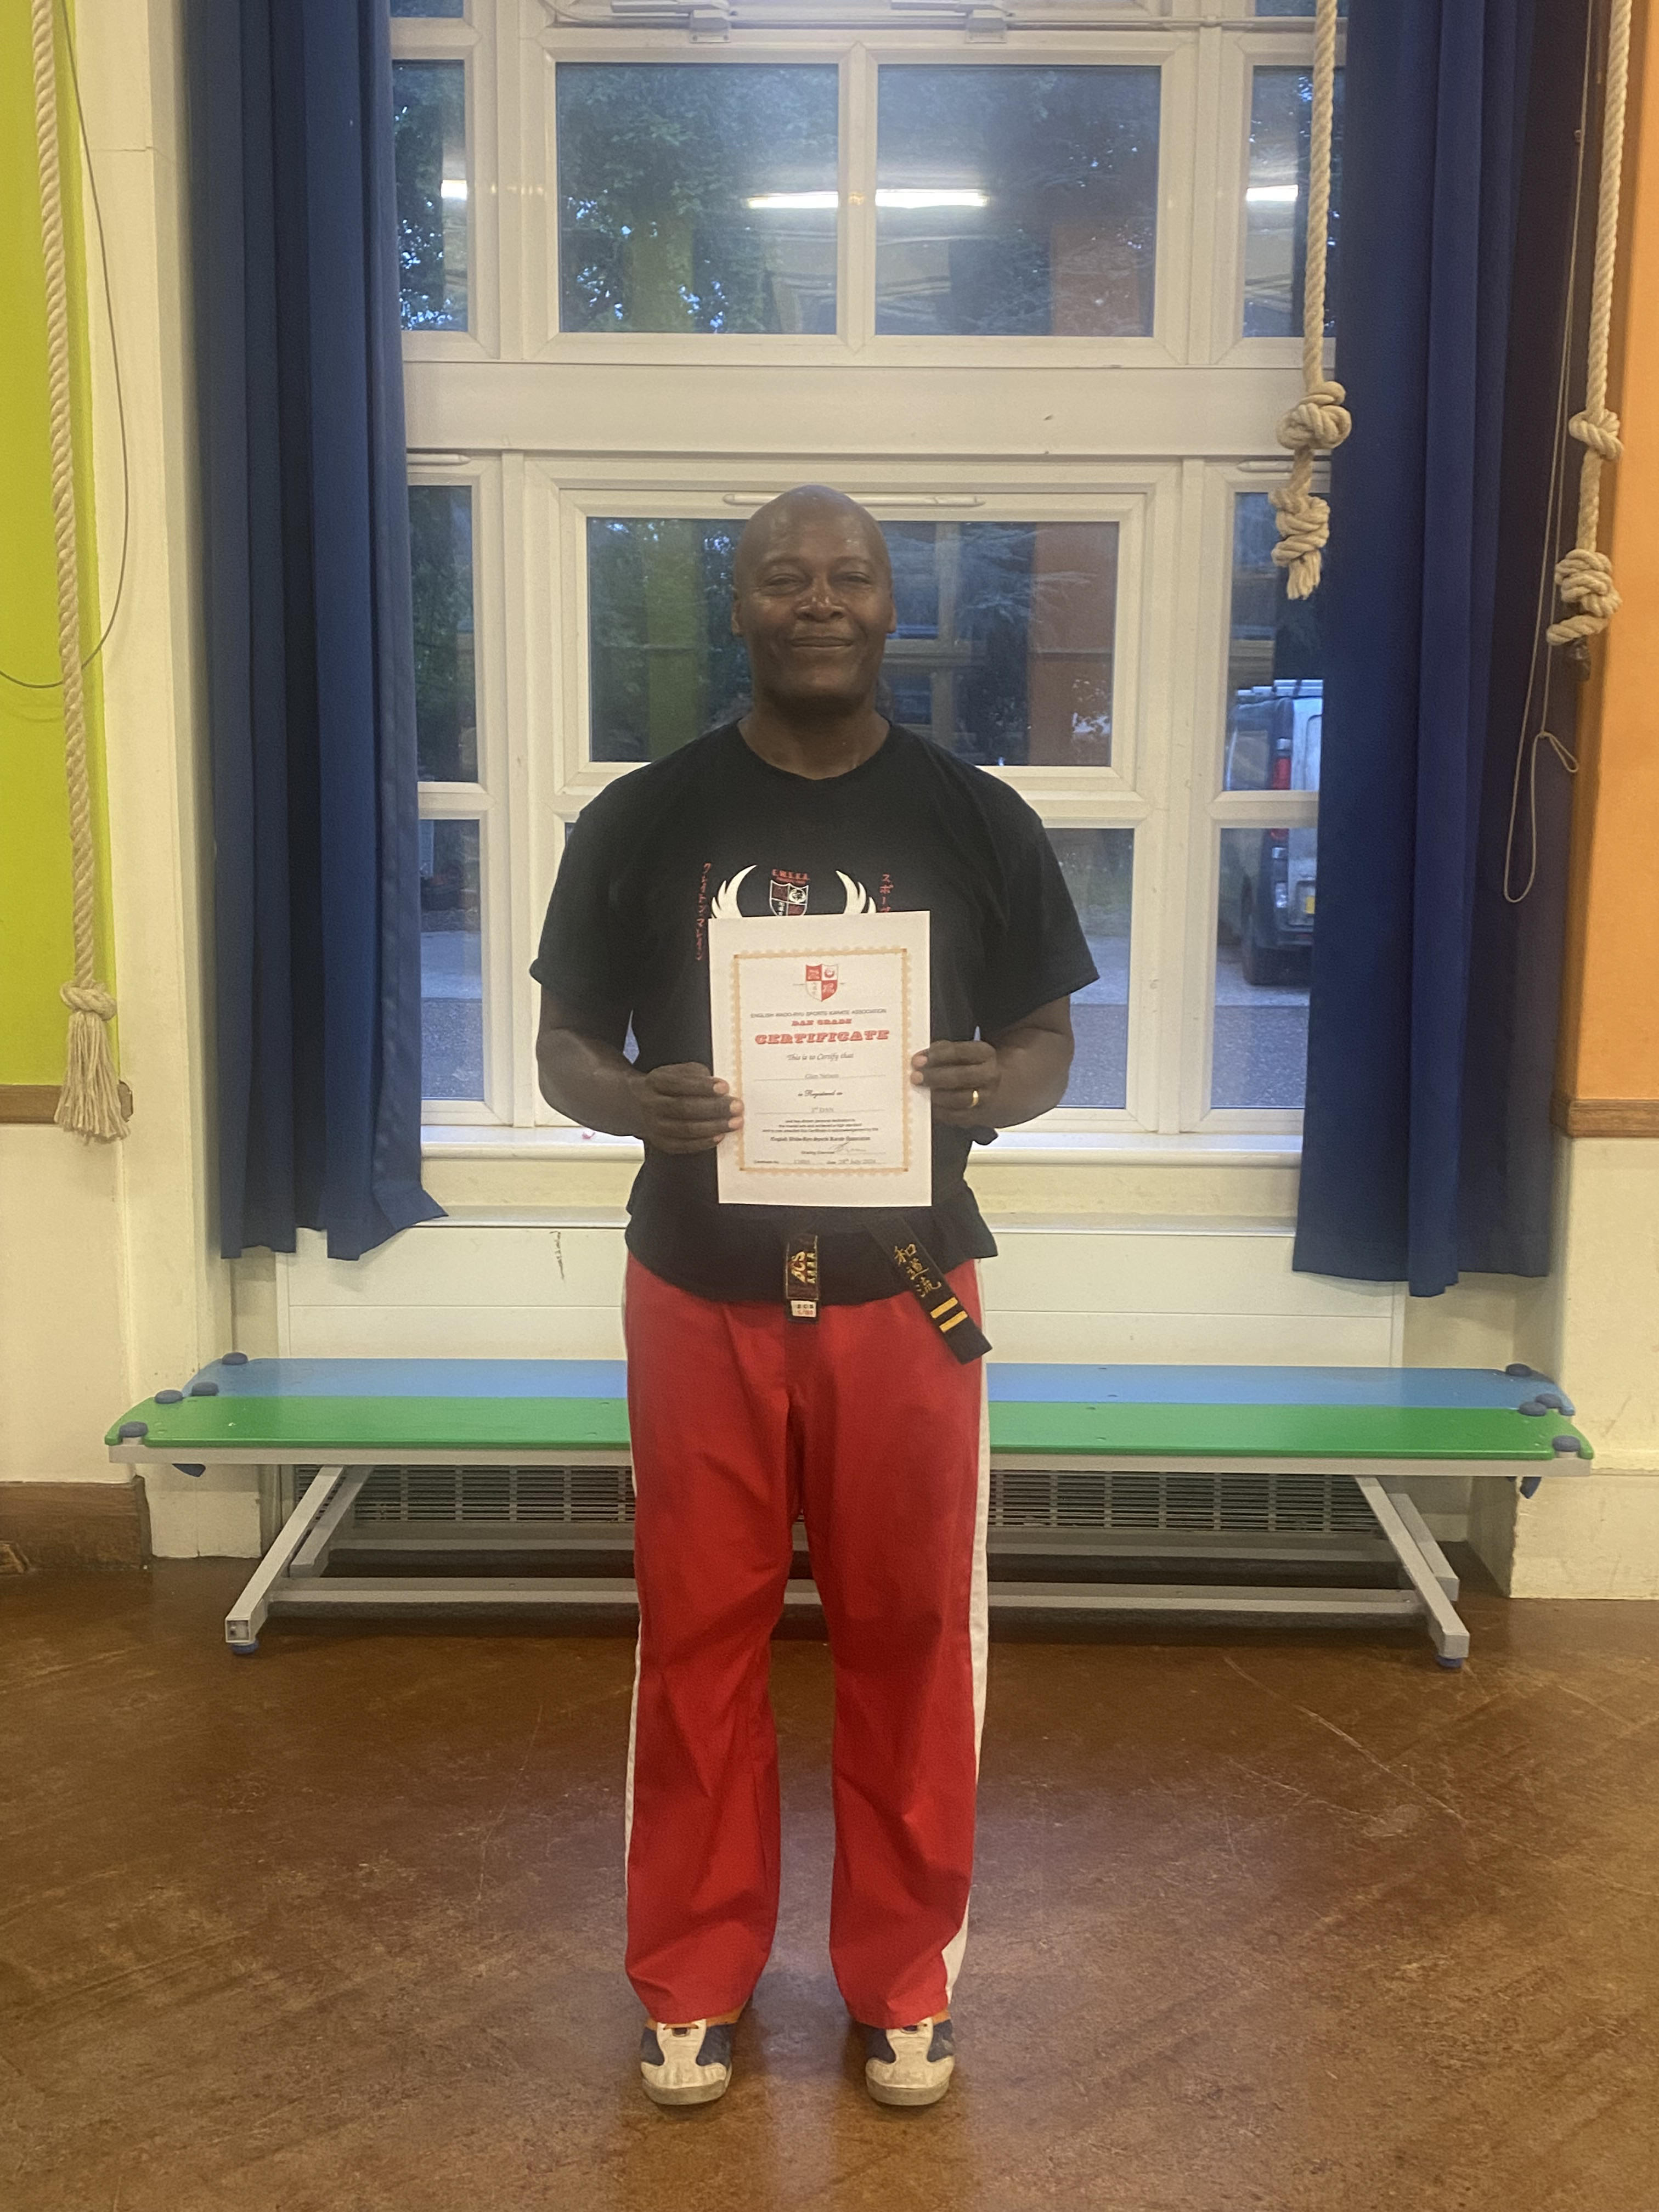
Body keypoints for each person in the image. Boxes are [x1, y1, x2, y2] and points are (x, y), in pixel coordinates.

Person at [532, 486, 1097, 2109]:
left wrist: (999, 1084)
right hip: (696, 1288)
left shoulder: (979, 818)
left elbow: (1051, 1043)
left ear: (893, 602)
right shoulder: (642, 818)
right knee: (698, 1636)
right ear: (742, 607)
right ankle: (692, 1976)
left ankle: (903, 1980)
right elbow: (565, 1051)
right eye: (785, 577)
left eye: (850, 575)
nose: (820, 600)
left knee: (910, 1637)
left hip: (905, 1292)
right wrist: (632, 1101)